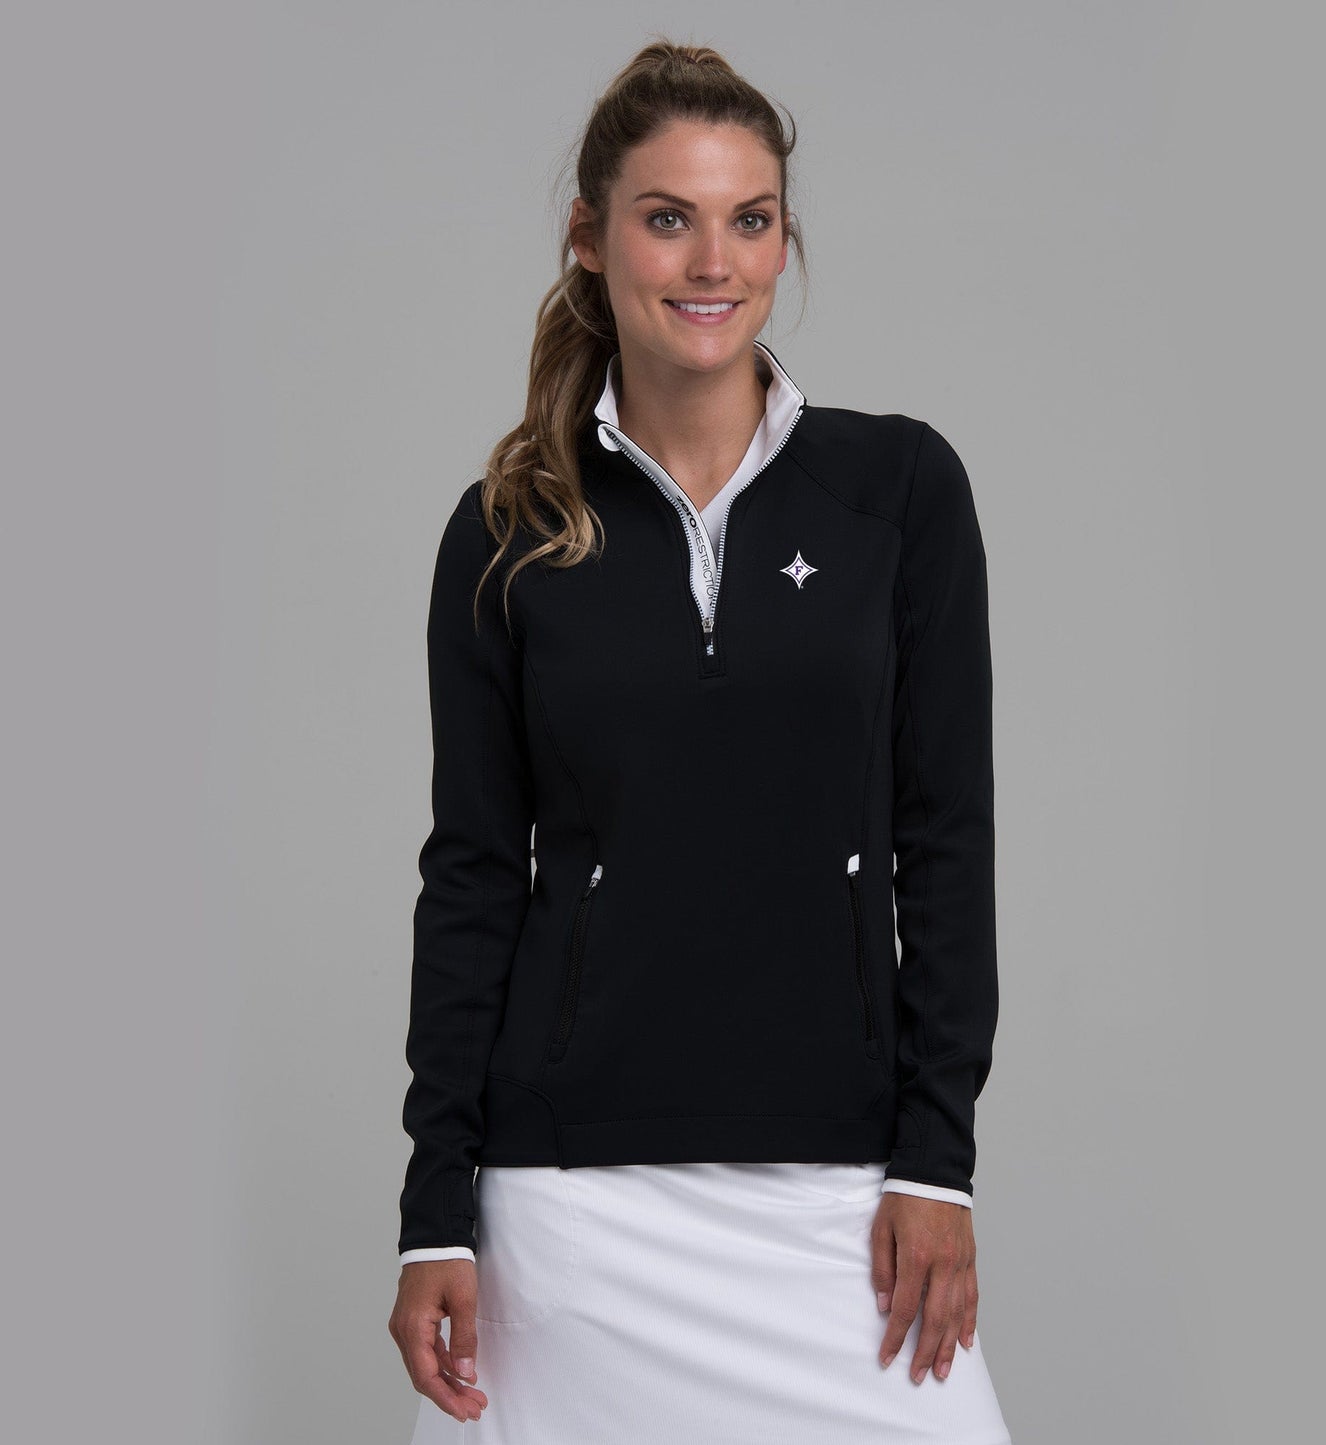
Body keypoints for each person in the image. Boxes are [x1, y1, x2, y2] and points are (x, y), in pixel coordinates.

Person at [388, 40, 1011, 1445]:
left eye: (750, 218)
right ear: (591, 235)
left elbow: (945, 840)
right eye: (667, 217)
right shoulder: (507, 531)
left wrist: (938, 1160)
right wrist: (436, 1212)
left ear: (784, 240)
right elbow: (473, 876)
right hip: (565, 1199)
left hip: (839, 1182)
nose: (712, 261)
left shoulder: (898, 490)